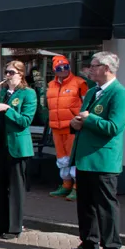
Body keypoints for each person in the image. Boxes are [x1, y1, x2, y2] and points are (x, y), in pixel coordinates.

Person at [66, 52, 125, 249]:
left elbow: (114, 127)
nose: (90, 69)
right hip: (85, 159)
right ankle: (89, 243)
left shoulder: (120, 94)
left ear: (106, 68)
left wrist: (89, 118)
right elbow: (83, 120)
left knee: (106, 206)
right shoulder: (93, 92)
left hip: (104, 161)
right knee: (85, 205)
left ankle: (112, 248)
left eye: (94, 66)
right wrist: (75, 124)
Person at [0, 60, 36, 240]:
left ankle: (14, 227)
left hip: (17, 147)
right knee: (0, 187)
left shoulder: (28, 93)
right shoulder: (2, 93)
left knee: (15, 189)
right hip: (1, 144)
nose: (7, 76)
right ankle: (1, 225)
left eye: (11, 72)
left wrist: (8, 109)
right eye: (6, 72)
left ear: (20, 74)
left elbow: (25, 121)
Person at [47, 55, 89, 201]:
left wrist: (80, 120)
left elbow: (87, 104)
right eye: (59, 68)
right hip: (56, 127)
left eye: (66, 67)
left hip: (72, 127)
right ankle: (66, 184)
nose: (63, 70)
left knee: (74, 158)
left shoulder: (79, 83)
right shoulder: (51, 85)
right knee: (62, 158)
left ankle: (77, 187)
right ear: (54, 70)